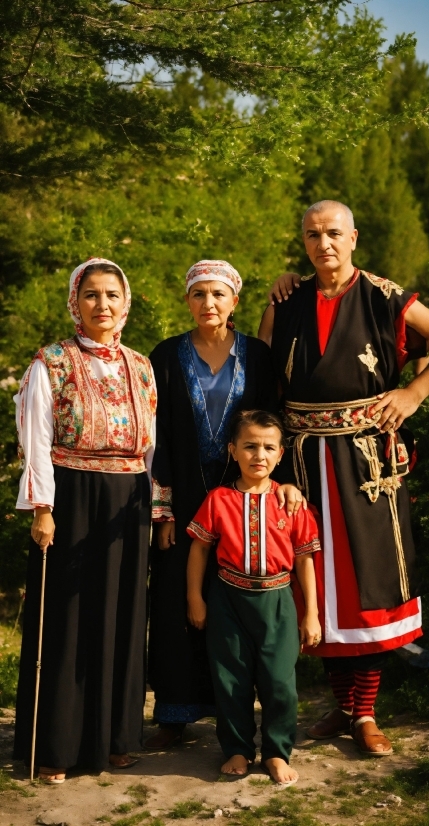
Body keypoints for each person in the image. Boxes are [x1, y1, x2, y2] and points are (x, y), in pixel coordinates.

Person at [259, 200, 429, 756]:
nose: (323, 243)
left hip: (368, 464)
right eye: (312, 235)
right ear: (303, 241)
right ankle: (342, 703)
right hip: (302, 464)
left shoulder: (386, 297)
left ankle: (365, 711)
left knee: (369, 583)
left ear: (353, 237)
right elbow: (264, 384)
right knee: (319, 585)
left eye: (333, 233)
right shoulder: (285, 302)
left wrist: (413, 393)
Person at [147, 260, 304, 749]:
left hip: (243, 499)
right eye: (198, 295)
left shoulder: (257, 356)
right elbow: (159, 435)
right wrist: (165, 509)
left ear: (235, 301)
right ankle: (175, 709)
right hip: (186, 498)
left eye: (218, 294)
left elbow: (275, 424)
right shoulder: (166, 356)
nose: (208, 304)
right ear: (187, 301)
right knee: (179, 599)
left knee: (235, 608)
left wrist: (286, 482)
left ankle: (234, 714)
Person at [13, 258, 157, 782]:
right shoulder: (50, 362)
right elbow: (36, 439)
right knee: (68, 618)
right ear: (76, 301)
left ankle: (115, 738)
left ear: (126, 302)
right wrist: (43, 509)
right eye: (92, 295)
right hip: (70, 497)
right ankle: (57, 745)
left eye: (112, 295)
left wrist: (156, 508)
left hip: (128, 502)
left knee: (121, 614)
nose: (103, 305)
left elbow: (151, 448)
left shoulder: (141, 365)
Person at [186, 409, 321, 784]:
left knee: (279, 682)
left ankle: (277, 753)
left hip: (278, 601)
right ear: (232, 451)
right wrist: (195, 599)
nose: (258, 455)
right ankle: (238, 749)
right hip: (227, 599)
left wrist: (311, 614)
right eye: (249, 446)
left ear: (280, 455)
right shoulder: (218, 499)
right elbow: (198, 550)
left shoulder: (292, 503)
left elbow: (305, 561)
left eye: (267, 448)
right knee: (232, 680)